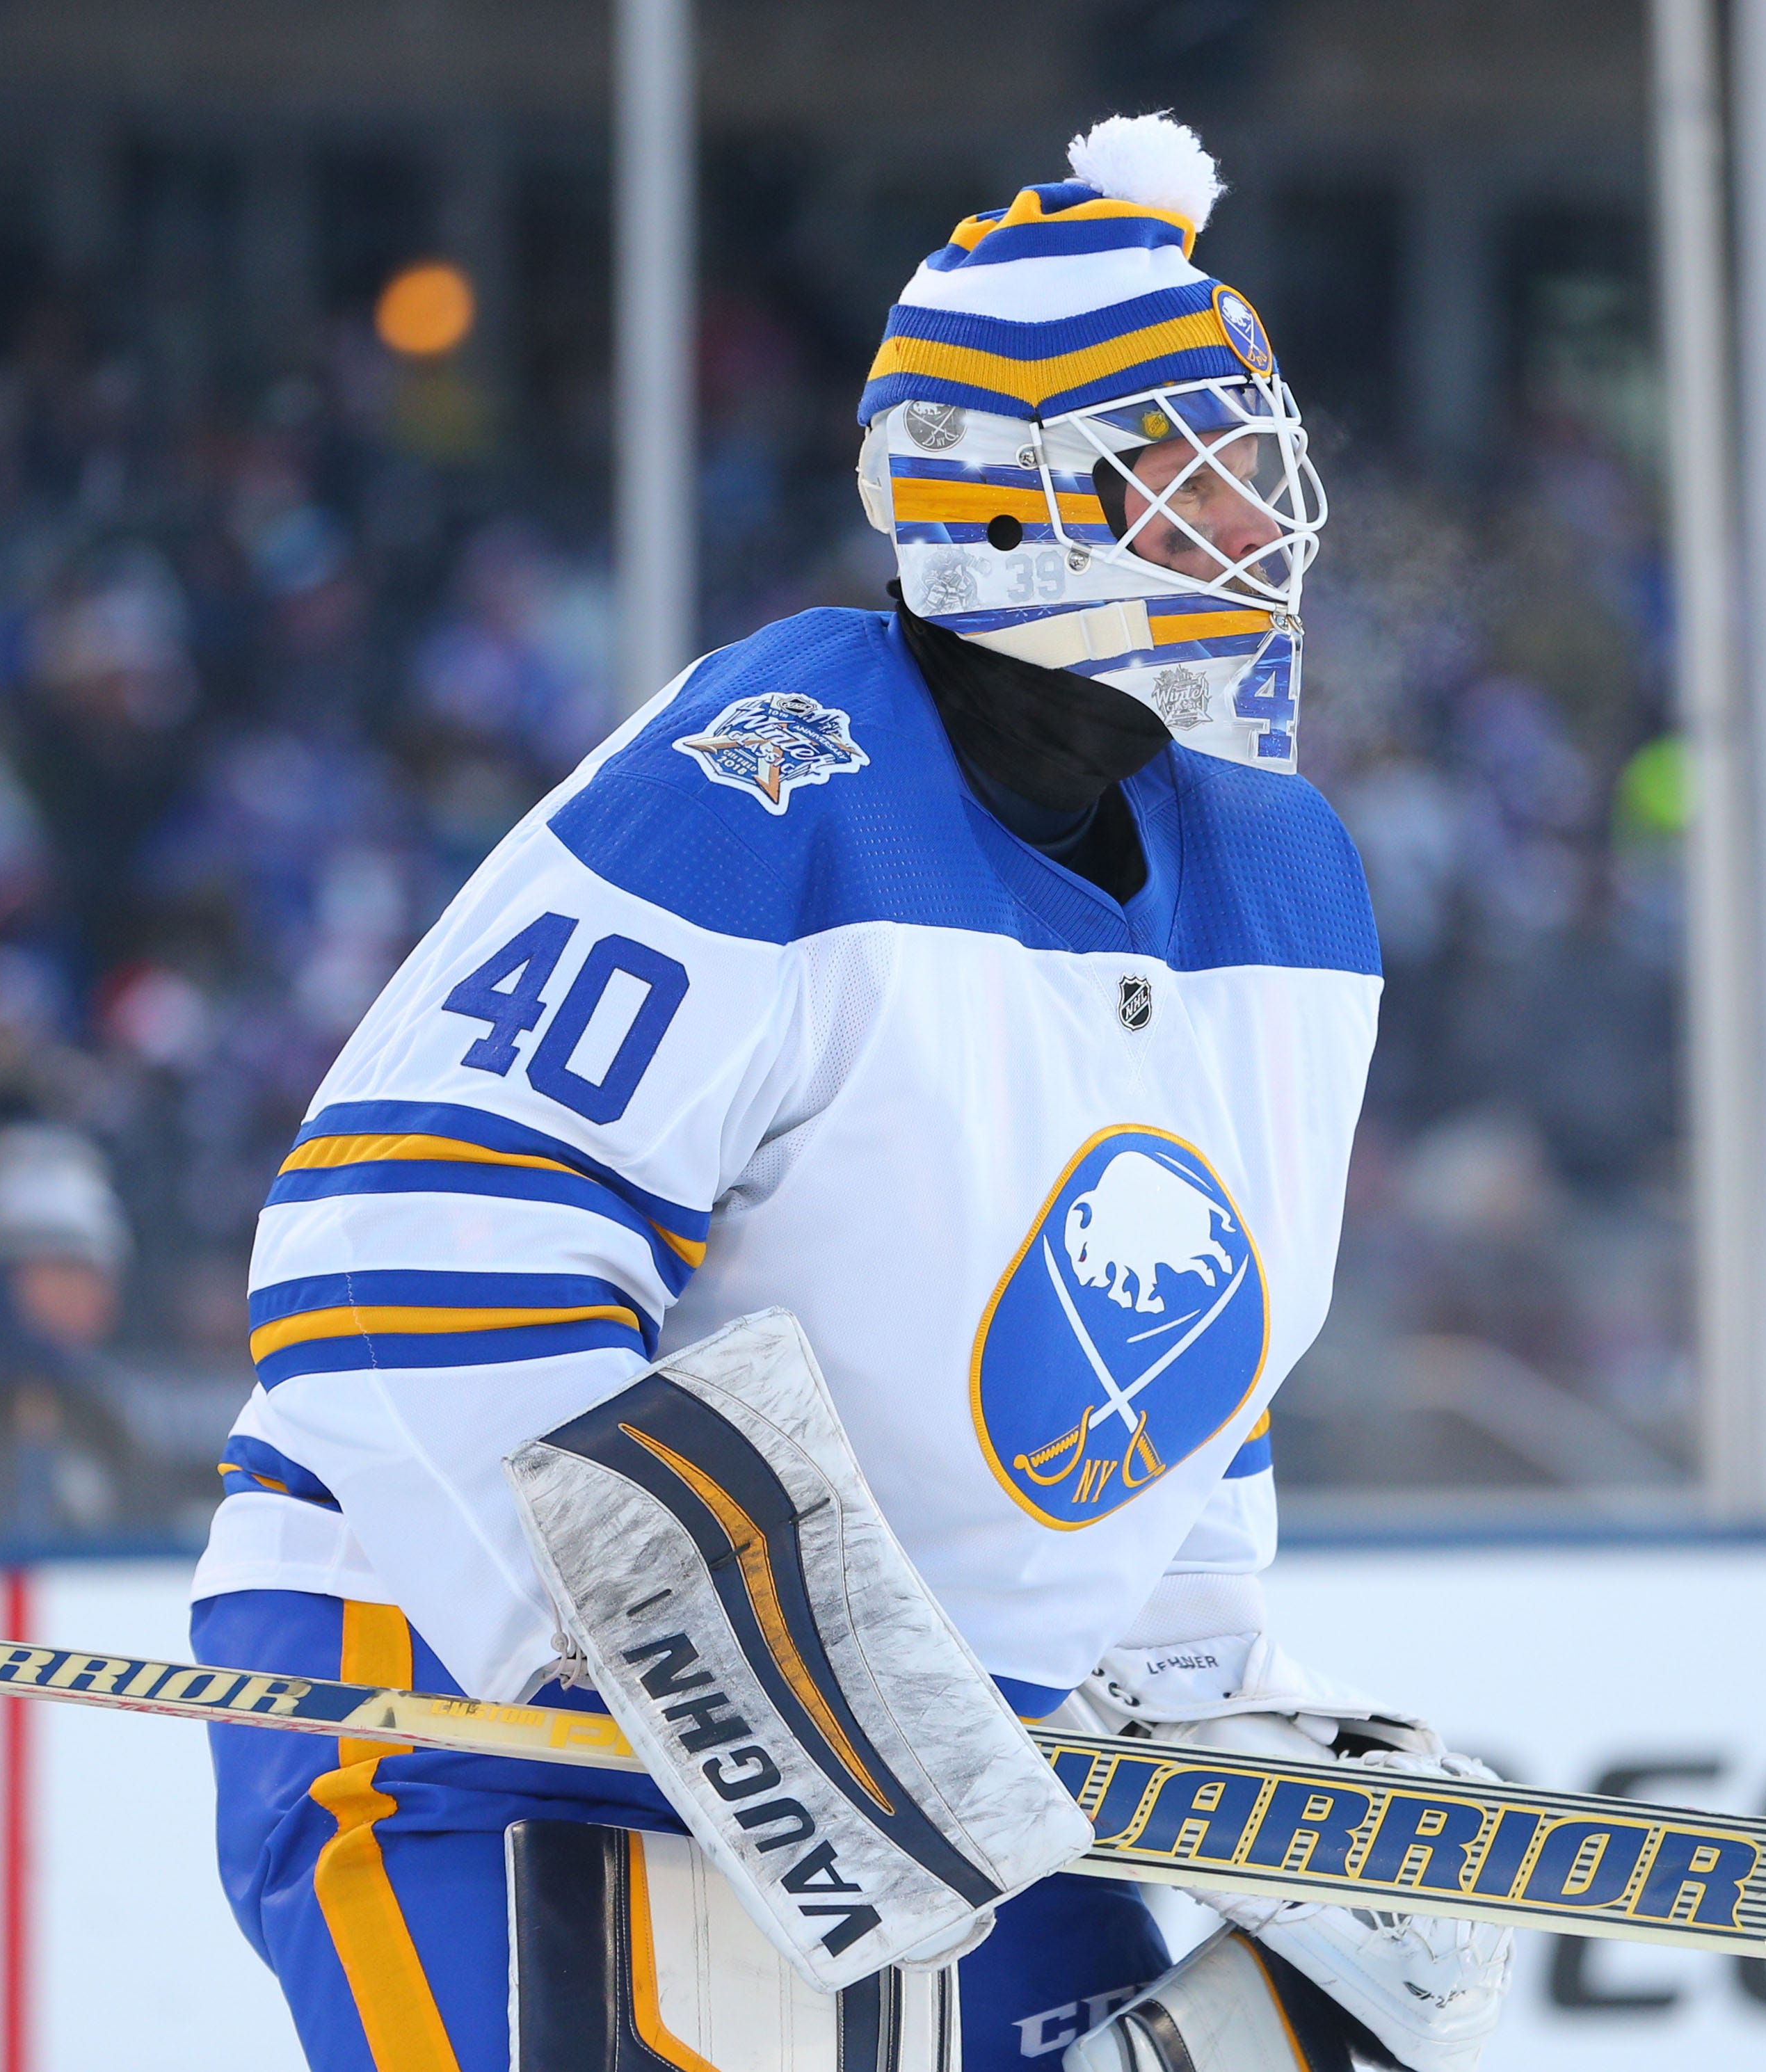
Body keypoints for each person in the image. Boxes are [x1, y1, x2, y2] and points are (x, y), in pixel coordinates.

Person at [191, 114, 1511, 2072]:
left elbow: (1175, 1403)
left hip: (935, 1748)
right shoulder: (762, 782)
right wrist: (724, 1677)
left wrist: (1211, 1707)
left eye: (1259, 478)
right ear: (1002, 503)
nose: (1259, 534)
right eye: (1196, 480)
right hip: (489, 1710)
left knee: (1363, 2006)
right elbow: (399, 1259)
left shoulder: (1290, 884)